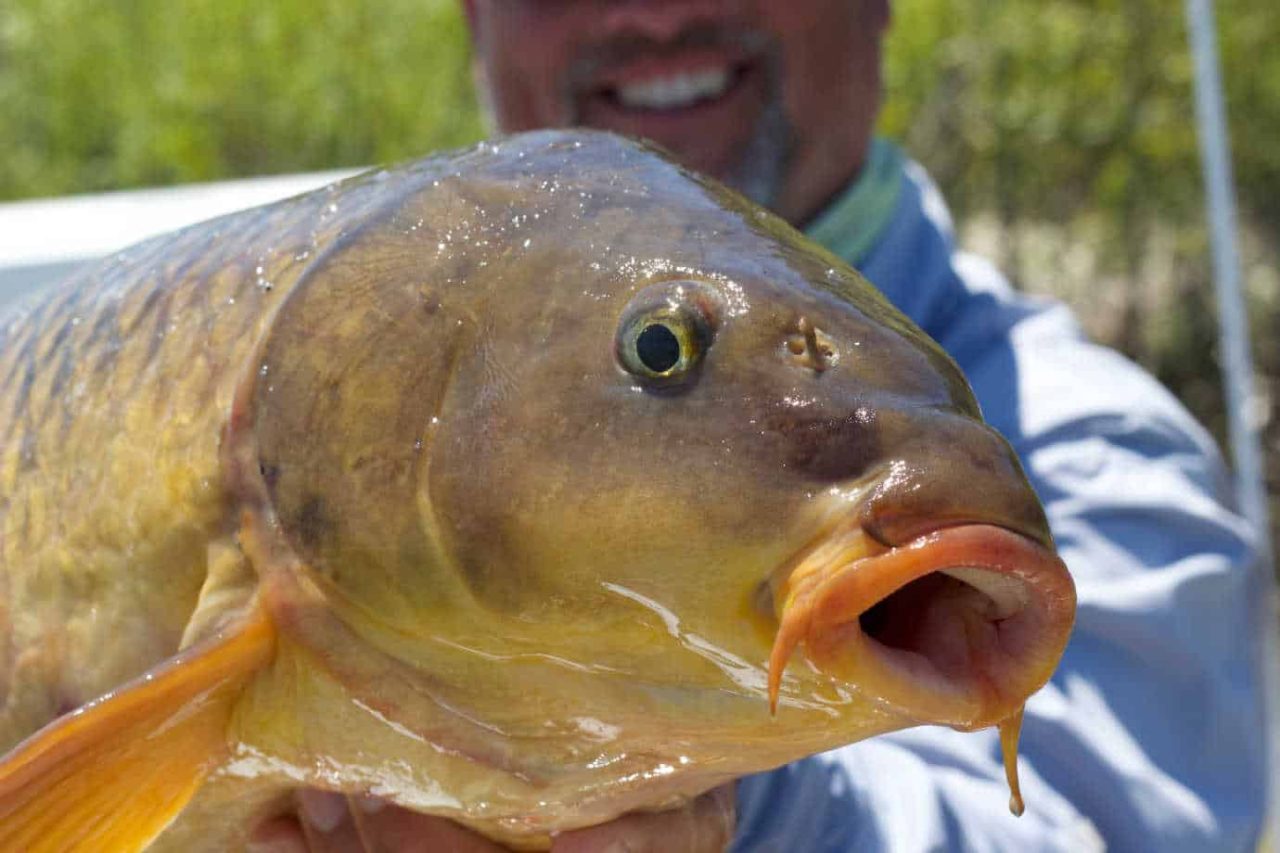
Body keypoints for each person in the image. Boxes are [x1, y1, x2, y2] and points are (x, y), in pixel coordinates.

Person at [252, 1, 1271, 850]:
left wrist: (699, 794)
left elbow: (1075, 828)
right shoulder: (297, 364)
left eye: (665, 351)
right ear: (475, 18)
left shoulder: (1100, 456)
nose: (653, 14)